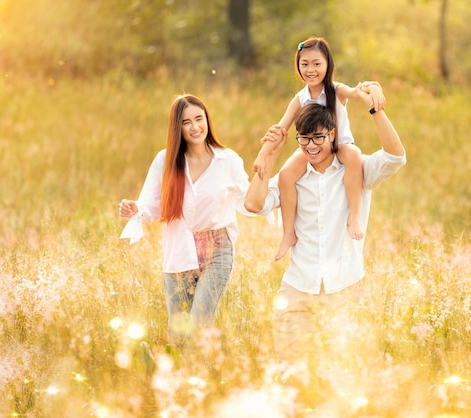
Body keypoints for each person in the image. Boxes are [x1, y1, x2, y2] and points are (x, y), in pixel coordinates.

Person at [245, 95, 406, 360]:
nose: (311, 146)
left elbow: (395, 157)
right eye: (304, 139)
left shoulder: (356, 171)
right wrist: (269, 156)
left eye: (318, 138)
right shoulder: (292, 177)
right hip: (298, 290)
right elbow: (253, 204)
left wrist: (376, 110)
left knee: (342, 376)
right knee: (289, 372)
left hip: (345, 289)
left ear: (332, 135)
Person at [119, 94, 252, 347]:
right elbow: (152, 205)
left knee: (199, 324)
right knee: (179, 335)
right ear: (177, 127)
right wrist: (135, 208)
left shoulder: (228, 160)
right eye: (186, 122)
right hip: (179, 251)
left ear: (207, 121)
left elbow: (249, 202)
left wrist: (268, 176)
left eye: (199, 119)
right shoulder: (165, 160)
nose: (195, 127)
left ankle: (202, 379)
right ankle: (178, 377)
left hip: (217, 250)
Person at [253, 37, 386, 261]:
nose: (310, 69)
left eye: (317, 64)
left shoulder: (336, 90)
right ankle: (288, 234)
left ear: (328, 65)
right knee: (286, 175)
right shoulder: (299, 98)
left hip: (339, 145)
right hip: (311, 149)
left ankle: (354, 215)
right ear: (298, 67)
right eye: (304, 64)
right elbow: (280, 128)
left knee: (353, 155)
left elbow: (358, 90)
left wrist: (374, 88)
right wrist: (262, 155)